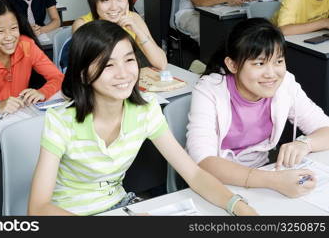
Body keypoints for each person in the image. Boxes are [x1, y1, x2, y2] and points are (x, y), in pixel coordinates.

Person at [28, 19, 257, 216]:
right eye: (108, 64)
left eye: (129, 60)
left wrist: (237, 205)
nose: (124, 73)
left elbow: (194, 174)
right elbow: (38, 208)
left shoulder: (146, 110)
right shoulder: (60, 121)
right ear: (84, 74)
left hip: (119, 207)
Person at [186, 18, 329, 198]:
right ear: (233, 65)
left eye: (278, 61)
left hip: (261, 179)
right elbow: (203, 161)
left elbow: (325, 129)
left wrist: (305, 144)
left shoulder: (285, 84)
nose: (271, 74)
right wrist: (273, 180)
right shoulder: (209, 90)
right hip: (215, 184)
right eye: (259, 63)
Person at [72, 0, 167, 70]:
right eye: (105, 0)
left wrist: (137, 30)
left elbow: (161, 63)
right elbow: (86, 70)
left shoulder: (133, 18)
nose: (114, 7)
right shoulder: (83, 25)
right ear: (93, 1)